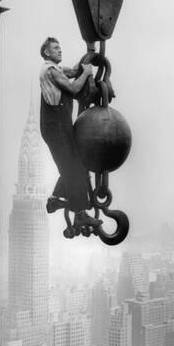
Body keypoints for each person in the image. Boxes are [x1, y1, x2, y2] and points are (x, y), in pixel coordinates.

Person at [39, 37, 102, 229]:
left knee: (76, 165)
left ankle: (57, 199)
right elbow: (74, 89)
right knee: (72, 168)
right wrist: (88, 73)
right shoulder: (50, 70)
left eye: (60, 47)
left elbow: (74, 72)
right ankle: (80, 214)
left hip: (61, 125)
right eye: (56, 48)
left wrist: (87, 58)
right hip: (55, 126)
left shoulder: (57, 69)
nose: (60, 50)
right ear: (47, 53)